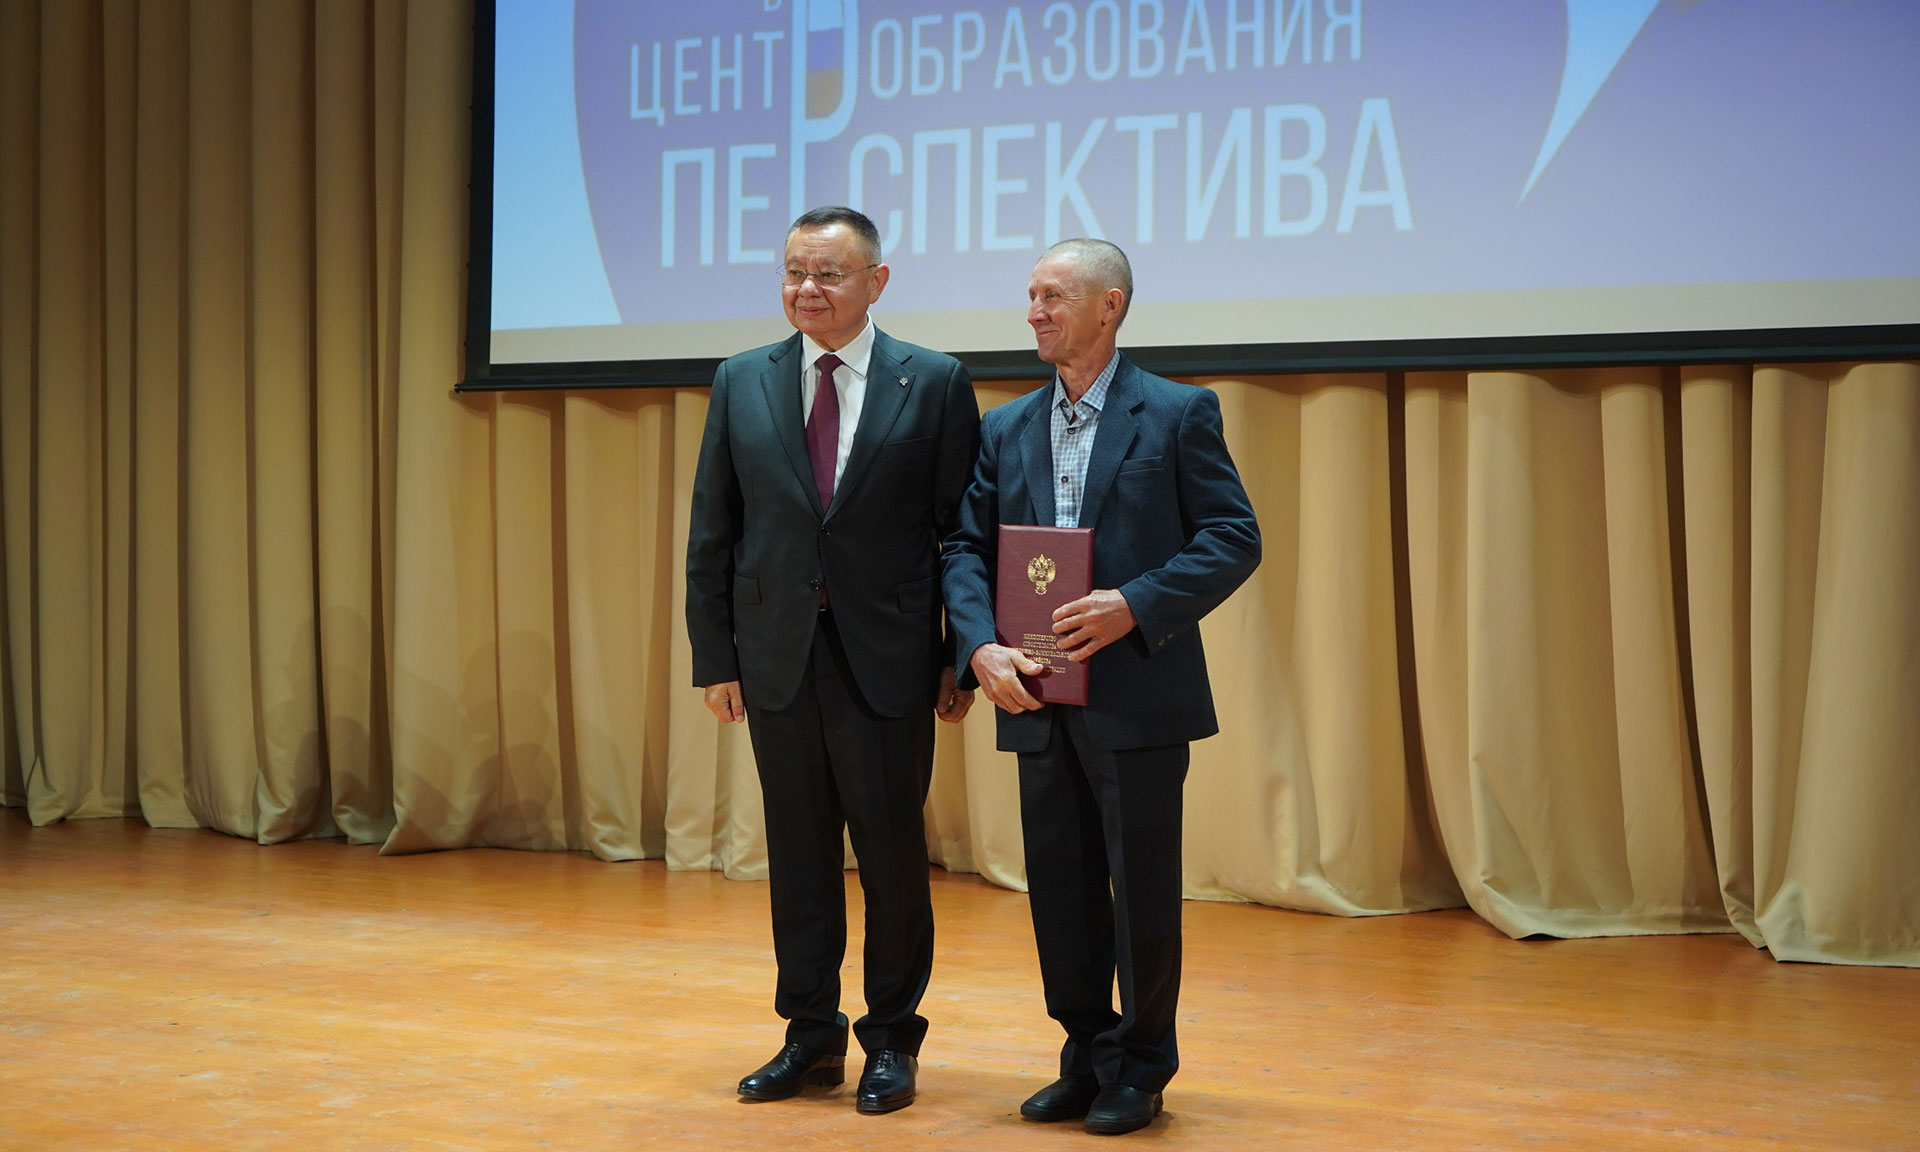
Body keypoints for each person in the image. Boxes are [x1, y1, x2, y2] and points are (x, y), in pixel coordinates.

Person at [940, 238, 1260, 1135]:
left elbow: (1233, 536)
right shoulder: (1004, 427)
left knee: (1141, 887)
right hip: (1036, 695)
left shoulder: (1178, 412)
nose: (1034, 313)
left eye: (1052, 296)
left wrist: (1136, 604)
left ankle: (1142, 1066)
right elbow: (965, 547)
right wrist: (978, 646)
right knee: (1061, 889)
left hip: (1136, 693)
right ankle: (1084, 1053)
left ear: (1109, 305)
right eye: (1030, 296)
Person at [685, 206, 979, 1114]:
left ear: (876, 282)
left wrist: (960, 655)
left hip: (887, 660)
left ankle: (891, 1039)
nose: (806, 289)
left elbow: (961, 533)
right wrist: (715, 657)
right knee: (799, 859)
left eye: (828, 274)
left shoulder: (933, 381)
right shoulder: (741, 379)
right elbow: (714, 530)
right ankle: (808, 1034)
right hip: (777, 659)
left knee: (891, 860)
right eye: (793, 272)